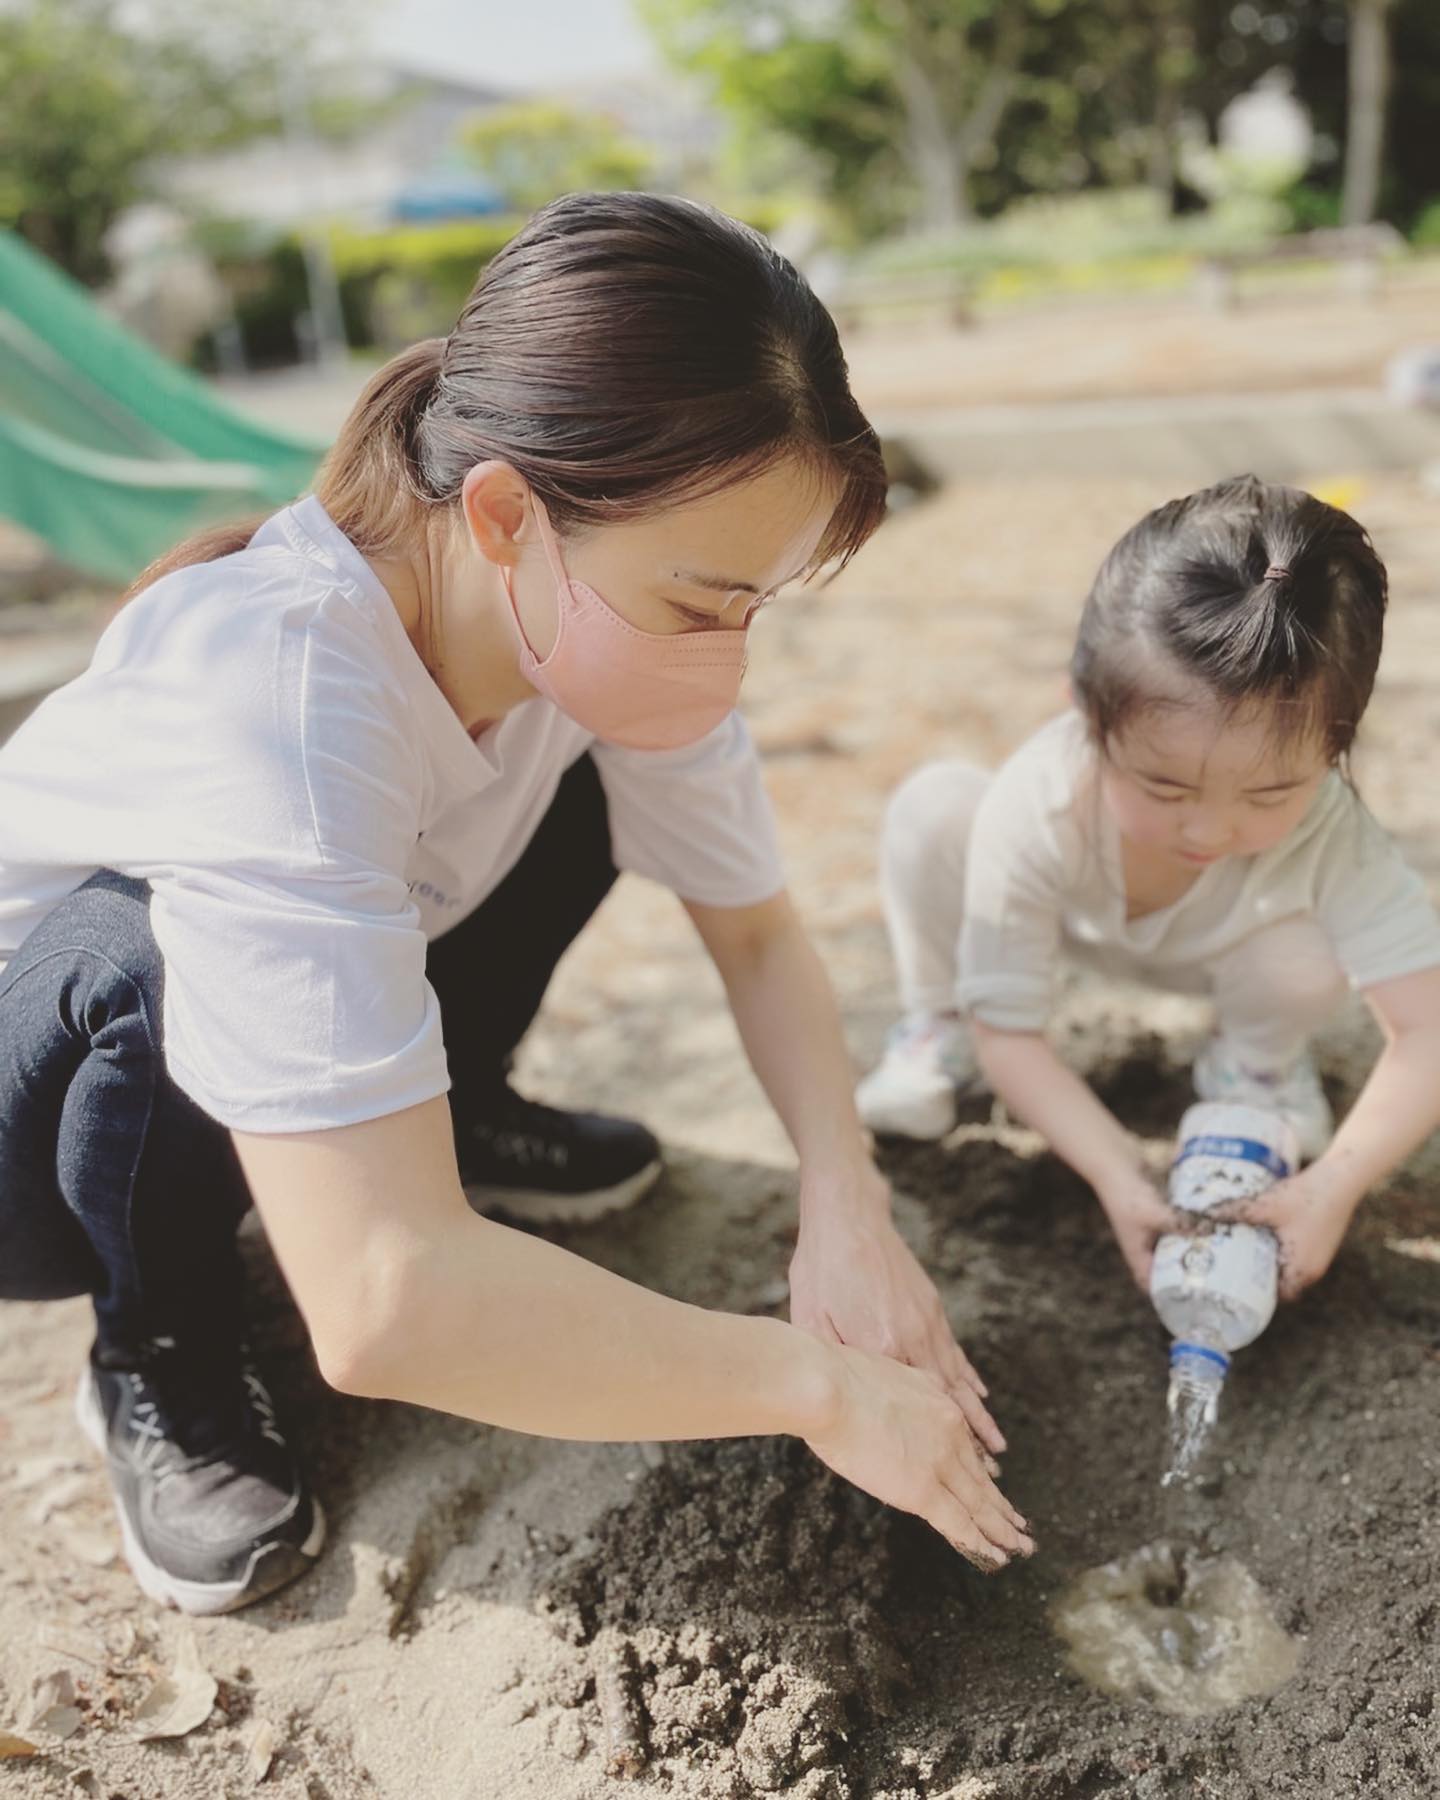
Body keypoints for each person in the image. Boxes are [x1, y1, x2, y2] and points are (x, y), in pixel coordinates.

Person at [0, 193, 1032, 1618]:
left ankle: (441, 1105)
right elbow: (382, 1303)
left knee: (602, 786)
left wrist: (843, 1203)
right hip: (36, 1144)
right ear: (504, 515)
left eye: (756, 604)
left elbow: (755, 930)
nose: (724, 658)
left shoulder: (588, 629)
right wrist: (814, 1387)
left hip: (262, 1040)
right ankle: (155, 1341)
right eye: (699, 602)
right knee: (148, 953)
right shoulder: (280, 700)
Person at [857, 474, 1440, 1296]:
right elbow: (1014, 1038)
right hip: (1070, 920)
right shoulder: (1042, 802)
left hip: (1236, 953)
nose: (1208, 829)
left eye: (1272, 793)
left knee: (1305, 952)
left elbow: (1428, 1031)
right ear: (1085, 715)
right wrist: (1118, 1171)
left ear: (1339, 746)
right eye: (1165, 788)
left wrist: (1336, 1184)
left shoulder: (1332, 830)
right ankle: (937, 1020)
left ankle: (1256, 1065)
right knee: (934, 808)